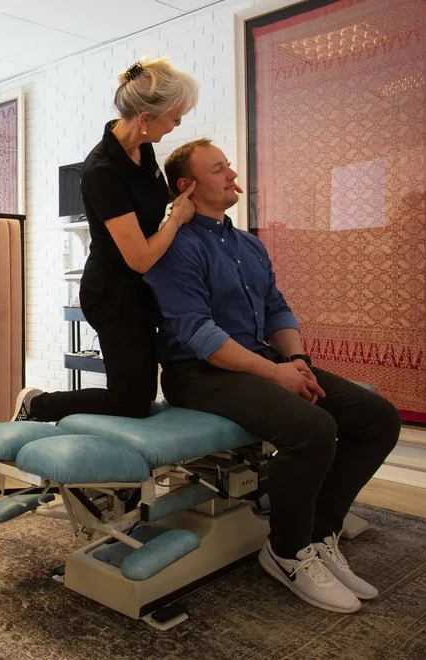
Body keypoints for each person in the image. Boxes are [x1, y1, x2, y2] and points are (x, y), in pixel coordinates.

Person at [142, 138, 401, 614]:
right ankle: (286, 551)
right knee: (314, 428)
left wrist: (295, 359)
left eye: (229, 168)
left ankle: (321, 533)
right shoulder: (177, 246)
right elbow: (198, 333)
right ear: (187, 186)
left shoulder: (247, 244)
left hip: (260, 361)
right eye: (219, 170)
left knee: (377, 418)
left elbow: (276, 307)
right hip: (198, 374)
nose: (233, 176)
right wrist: (275, 374)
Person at [11, 57, 200, 422]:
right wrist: (177, 218)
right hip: (111, 292)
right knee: (129, 402)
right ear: (145, 119)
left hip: (139, 289)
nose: (177, 125)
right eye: (174, 118)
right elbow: (140, 257)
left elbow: (146, 203)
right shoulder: (101, 171)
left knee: (141, 397)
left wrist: (188, 191)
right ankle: (37, 403)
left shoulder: (142, 149)